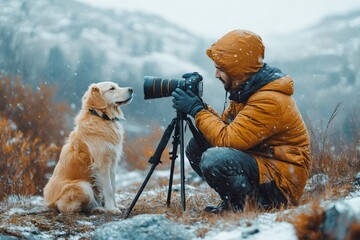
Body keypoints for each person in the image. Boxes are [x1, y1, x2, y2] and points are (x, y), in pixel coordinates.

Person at [172, 29, 311, 214]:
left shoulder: (268, 99)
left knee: (214, 158)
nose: (216, 74)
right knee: (198, 145)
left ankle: (251, 205)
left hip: (280, 183)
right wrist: (200, 105)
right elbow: (223, 129)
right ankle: (235, 201)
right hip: (263, 167)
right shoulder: (246, 90)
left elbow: (227, 140)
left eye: (220, 69)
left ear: (236, 70)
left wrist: (196, 110)